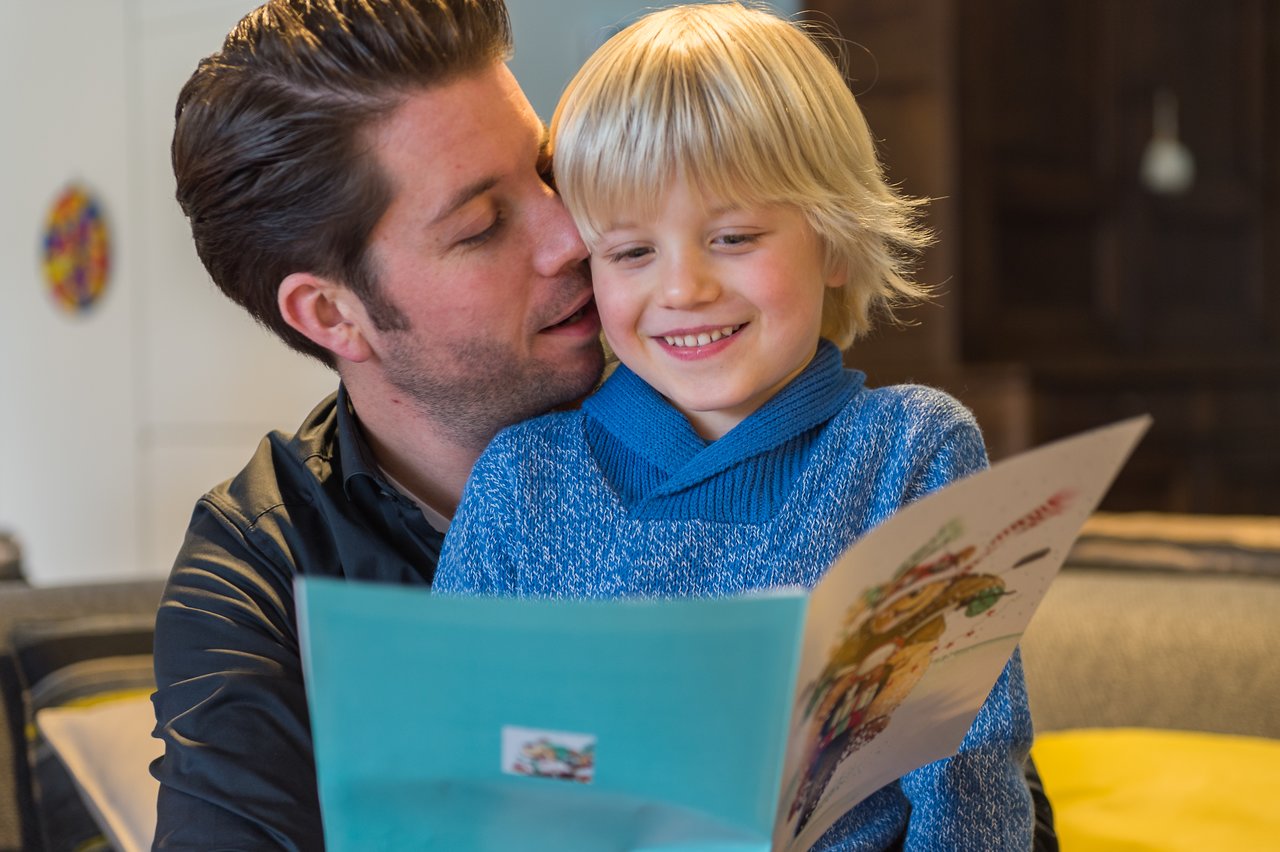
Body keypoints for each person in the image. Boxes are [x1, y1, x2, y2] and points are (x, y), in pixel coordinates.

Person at [433, 4, 1036, 849]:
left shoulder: (911, 451)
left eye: (733, 236)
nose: (683, 289)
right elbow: (463, 765)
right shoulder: (523, 476)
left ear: (832, 239)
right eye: (632, 253)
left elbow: (968, 777)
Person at [149, 0, 604, 848]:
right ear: (332, 314)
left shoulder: (725, 419)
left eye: (545, 169)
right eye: (481, 225)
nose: (573, 234)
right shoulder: (264, 586)